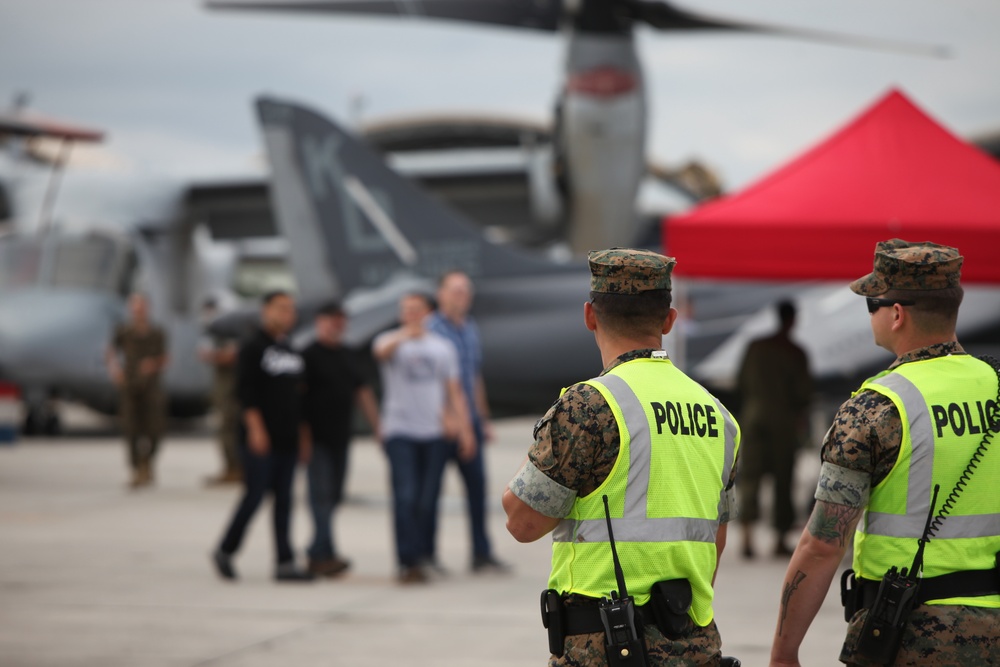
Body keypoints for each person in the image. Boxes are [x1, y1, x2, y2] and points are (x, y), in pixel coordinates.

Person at [503, 248, 742, 666]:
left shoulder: (589, 407)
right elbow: (714, 538)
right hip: (695, 643)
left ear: (589, 316)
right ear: (670, 320)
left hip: (607, 645)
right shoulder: (719, 416)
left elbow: (522, 522)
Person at [770, 239, 1000, 667]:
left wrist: (784, 654)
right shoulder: (996, 385)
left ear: (897, 314)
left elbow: (822, 545)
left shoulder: (876, 408)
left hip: (912, 636)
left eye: (871, 303)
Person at [372, 292, 475, 584]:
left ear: (428, 313)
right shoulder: (389, 340)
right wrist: (407, 334)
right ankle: (407, 561)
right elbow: (381, 354)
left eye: (417, 310)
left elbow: (453, 390)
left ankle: (426, 554)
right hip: (399, 429)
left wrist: (464, 429)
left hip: (434, 432)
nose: (412, 315)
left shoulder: (442, 347)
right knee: (405, 495)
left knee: (428, 498)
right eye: (406, 310)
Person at [212, 291, 313, 582]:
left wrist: (303, 437)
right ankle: (226, 550)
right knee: (254, 497)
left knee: (284, 501)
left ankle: (284, 562)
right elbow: (246, 394)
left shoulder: (291, 350)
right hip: (261, 439)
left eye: (290, 310)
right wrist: (256, 430)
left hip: (288, 439)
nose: (287, 315)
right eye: (281, 309)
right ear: (265, 311)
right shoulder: (253, 347)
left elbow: (298, 398)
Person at [426, 269, 509, 574]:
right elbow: (432, 385)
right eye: (455, 290)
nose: (461, 295)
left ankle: (481, 553)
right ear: (441, 294)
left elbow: (473, 378)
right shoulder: (430, 329)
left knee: (477, 488)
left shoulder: (470, 328)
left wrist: (482, 419)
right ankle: (427, 554)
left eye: (466, 290)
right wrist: (451, 421)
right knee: (431, 491)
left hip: (470, 421)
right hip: (440, 423)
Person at [300, 301, 381, 577]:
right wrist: (303, 437)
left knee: (334, 497)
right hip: (316, 439)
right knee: (320, 498)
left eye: (340, 320)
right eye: (330, 320)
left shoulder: (348, 354)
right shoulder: (308, 355)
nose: (336, 325)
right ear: (319, 322)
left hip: (341, 438)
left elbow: (363, 391)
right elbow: (298, 400)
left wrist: (377, 427)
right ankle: (326, 555)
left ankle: (315, 551)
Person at [735, 299, 811, 559]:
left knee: (750, 477)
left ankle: (747, 537)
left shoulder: (755, 347)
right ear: (792, 319)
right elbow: (803, 393)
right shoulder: (795, 352)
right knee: (783, 479)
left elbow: (741, 380)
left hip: (754, 418)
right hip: (783, 422)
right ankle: (779, 539)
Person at [106, 292, 169, 489]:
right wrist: (115, 370)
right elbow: (110, 351)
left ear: (147, 308)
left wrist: (153, 364)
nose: (138, 310)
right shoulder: (124, 331)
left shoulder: (157, 332)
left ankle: (147, 463)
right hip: (130, 385)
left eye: (141, 306)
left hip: (151, 387)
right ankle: (137, 470)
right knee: (131, 428)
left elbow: (166, 357)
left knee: (155, 430)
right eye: (134, 306)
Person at [198, 298, 242, 486]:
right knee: (224, 428)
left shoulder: (236, 331)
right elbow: (203, 353)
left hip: (234, 387)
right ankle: (230, 468)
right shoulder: (213, 333)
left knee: (232, 428)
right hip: (221, 387)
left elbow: (232, 356)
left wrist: (219, 355)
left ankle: (237, 468)